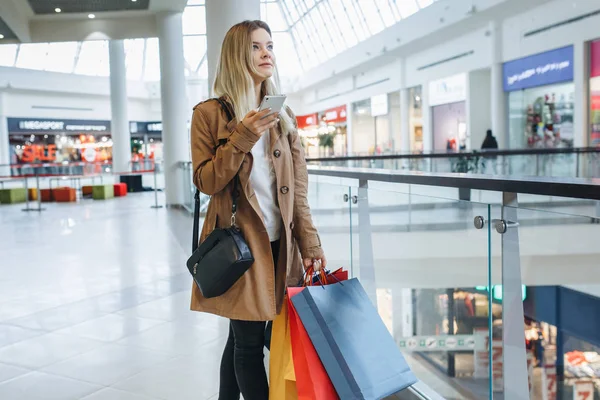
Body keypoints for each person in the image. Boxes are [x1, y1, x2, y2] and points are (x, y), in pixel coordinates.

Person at [189, 20, 327, 400]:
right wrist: (244, 135)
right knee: (249, 343)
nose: (267, 53)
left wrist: (311, 243)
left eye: (270, 45)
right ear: (237, 55)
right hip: (241, 245)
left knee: (246, 335)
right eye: (256, 47)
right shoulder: (209, 115)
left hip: (282, 245)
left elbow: (298, 190)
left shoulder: (284, 117)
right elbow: (206, 181)